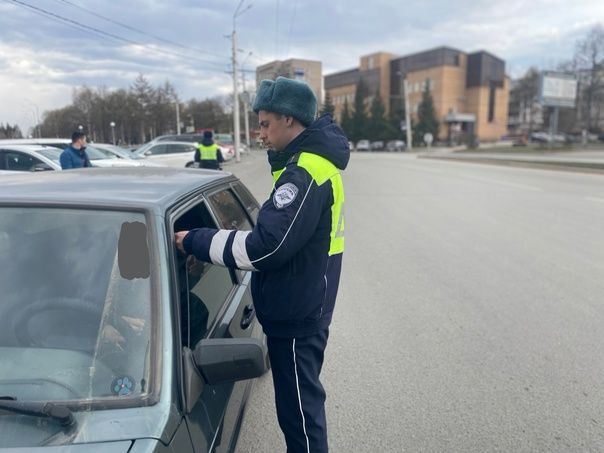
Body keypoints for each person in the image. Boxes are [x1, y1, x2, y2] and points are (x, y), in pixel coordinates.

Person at [175, 76, 350, 453]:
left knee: (301, 417)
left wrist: (194, 240)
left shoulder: (305, 172)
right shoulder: (303, 164)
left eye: (265, 124)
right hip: (301, 304)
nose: (260, 133)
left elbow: (264, 249)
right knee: (298, 410)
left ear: (289, 120)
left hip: (298, 314)